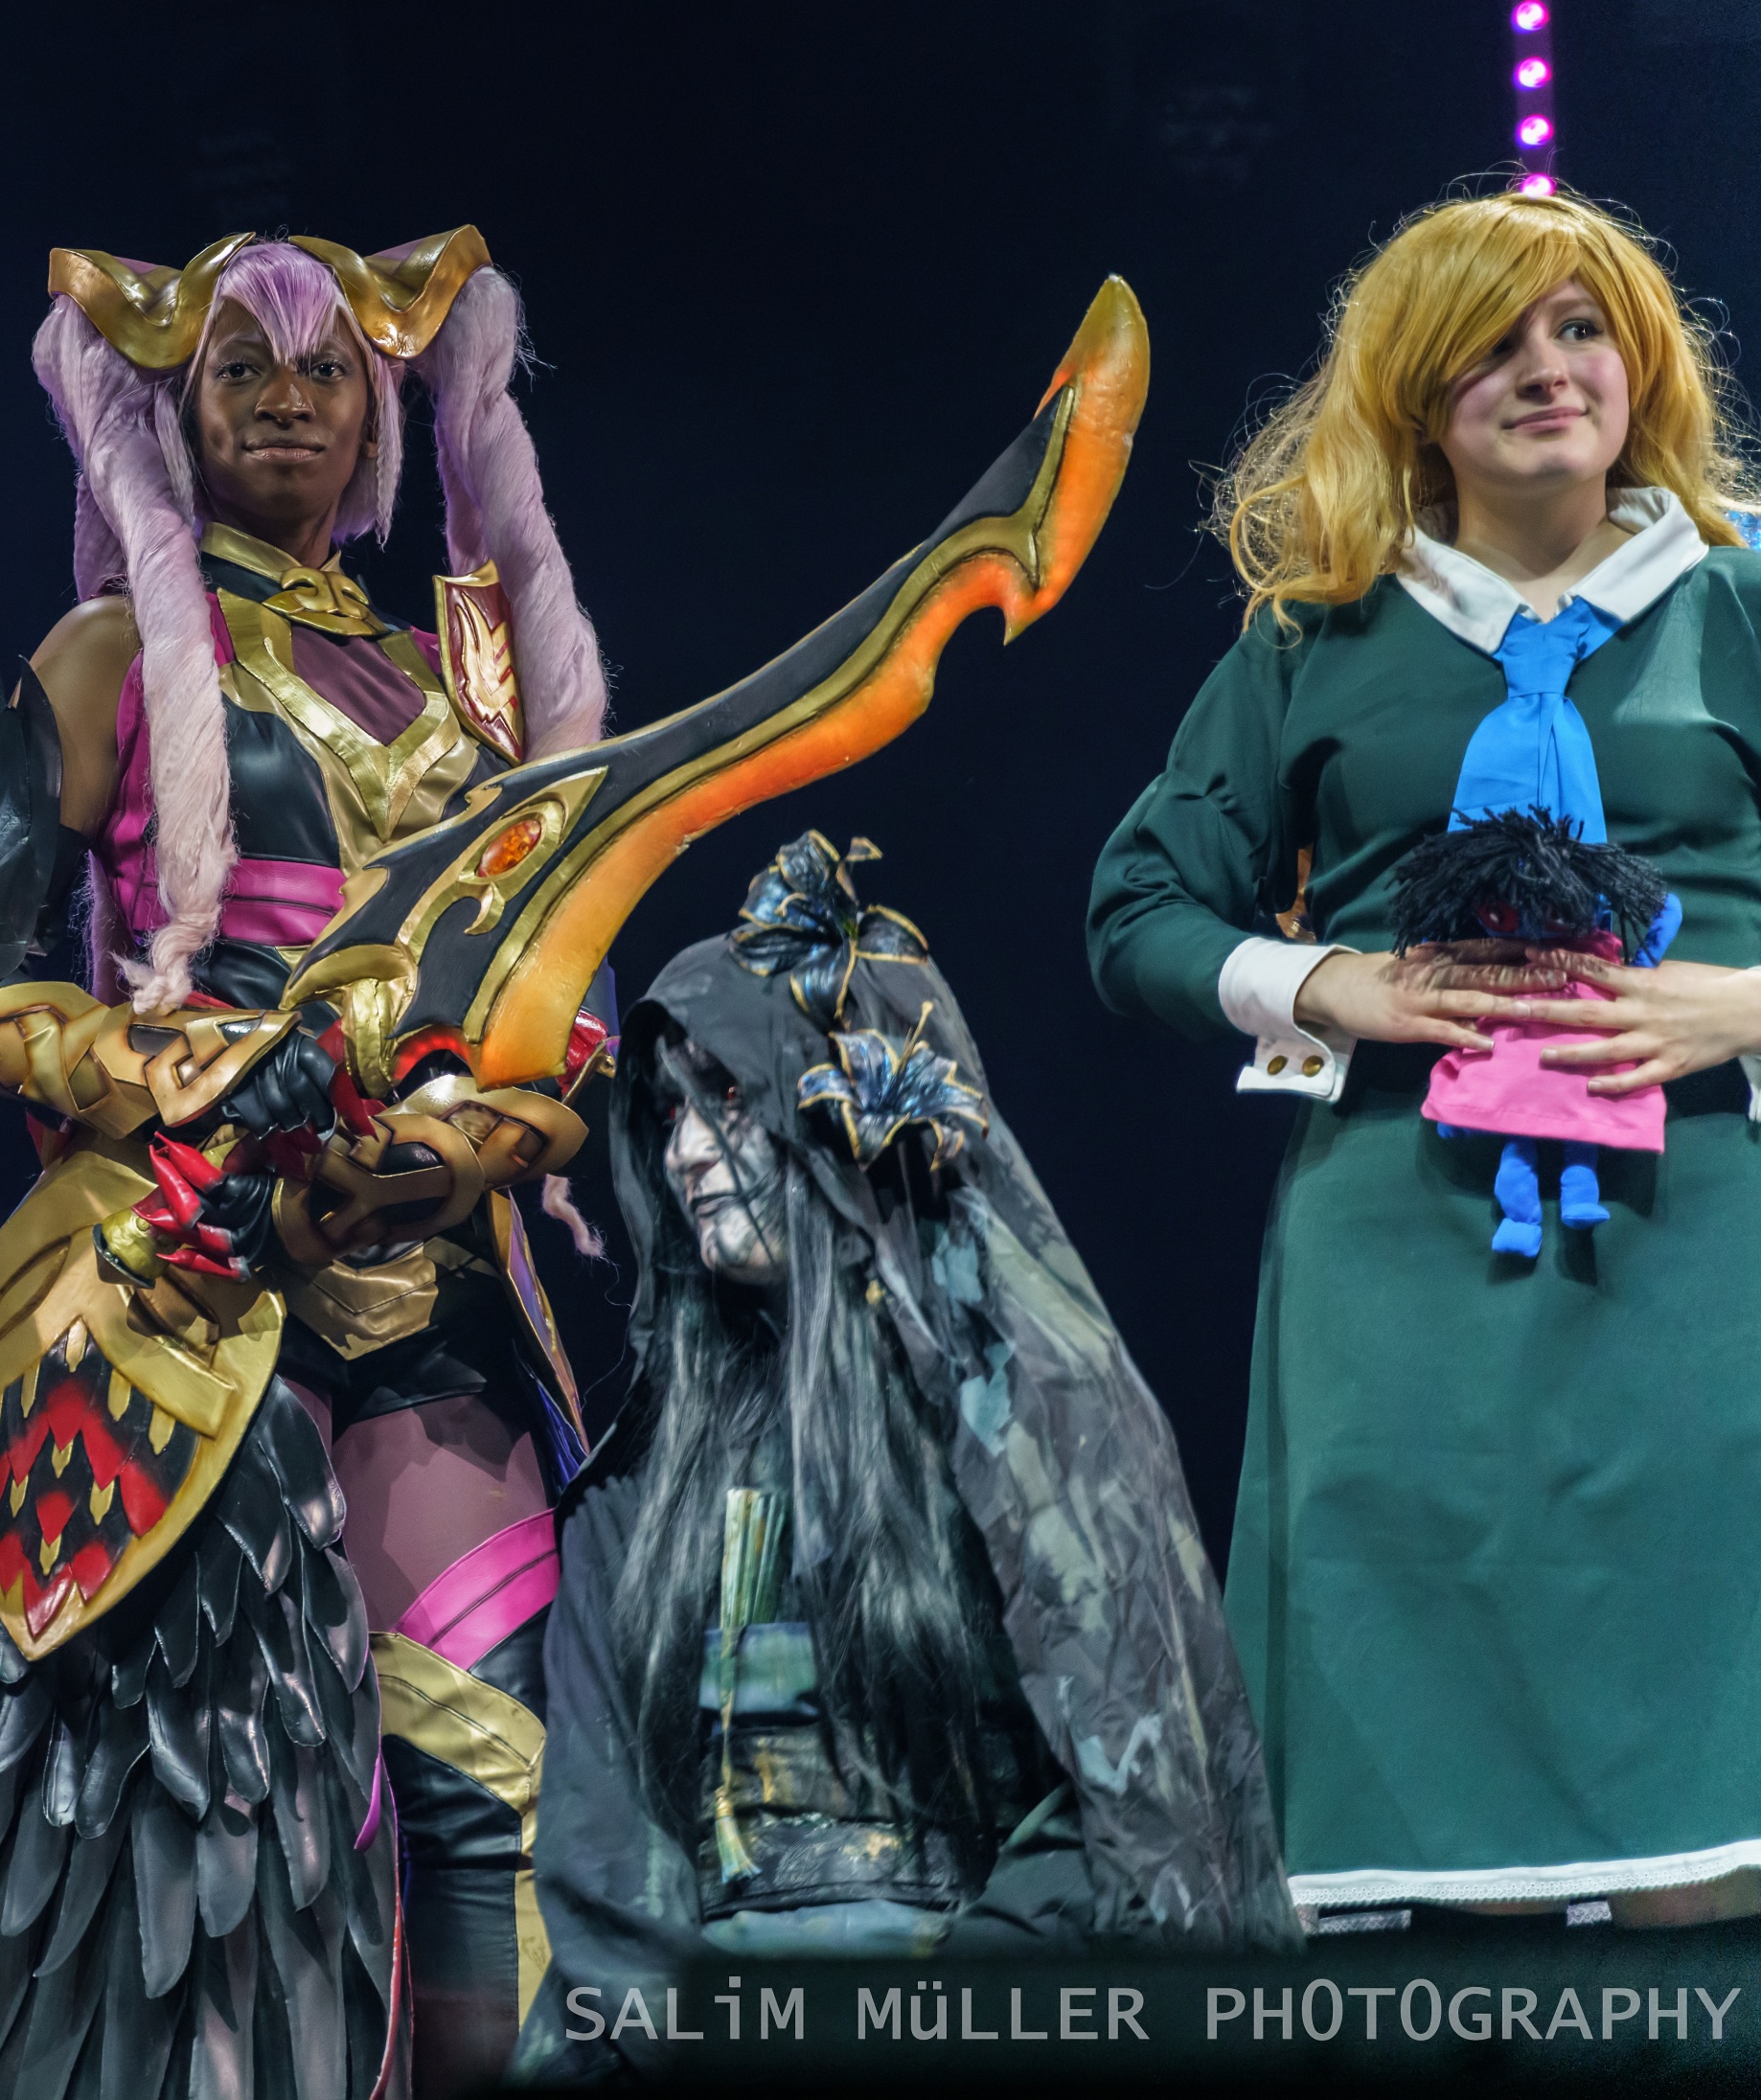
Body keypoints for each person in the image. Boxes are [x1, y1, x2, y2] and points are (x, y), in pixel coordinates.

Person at [0, 229, 606, 2095]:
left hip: (428, 1281)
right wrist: (155, 1067)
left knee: (489, 1790)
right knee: (200, 1843)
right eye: (240, 369)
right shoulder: (112, 645)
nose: (285, 402)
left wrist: (477, 1135)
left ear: (378, 411)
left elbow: (555, 1019)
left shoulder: (461, 681)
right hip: (180, 1279)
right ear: (172, 408)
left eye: (323, 370)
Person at [1089, 187, 1761, 1928]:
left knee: (1699, 1814)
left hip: (1708, 1251)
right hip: (1404, 1257)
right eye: (1492, 344)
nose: (1546, 369)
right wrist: (1334, 982)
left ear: (1639, 368)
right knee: (1448, 1816)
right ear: (1419, 395)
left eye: (1579, 330)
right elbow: (1138, 911)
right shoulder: (1316, 638)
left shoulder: (1759, 609)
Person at [515, 835, 1288, 2075]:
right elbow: (606, 1858)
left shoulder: (1038, 1437)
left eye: (728, 1097)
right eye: (669, 1113)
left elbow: (1126, 1806)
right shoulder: (636, 1495)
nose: (687, 1151)